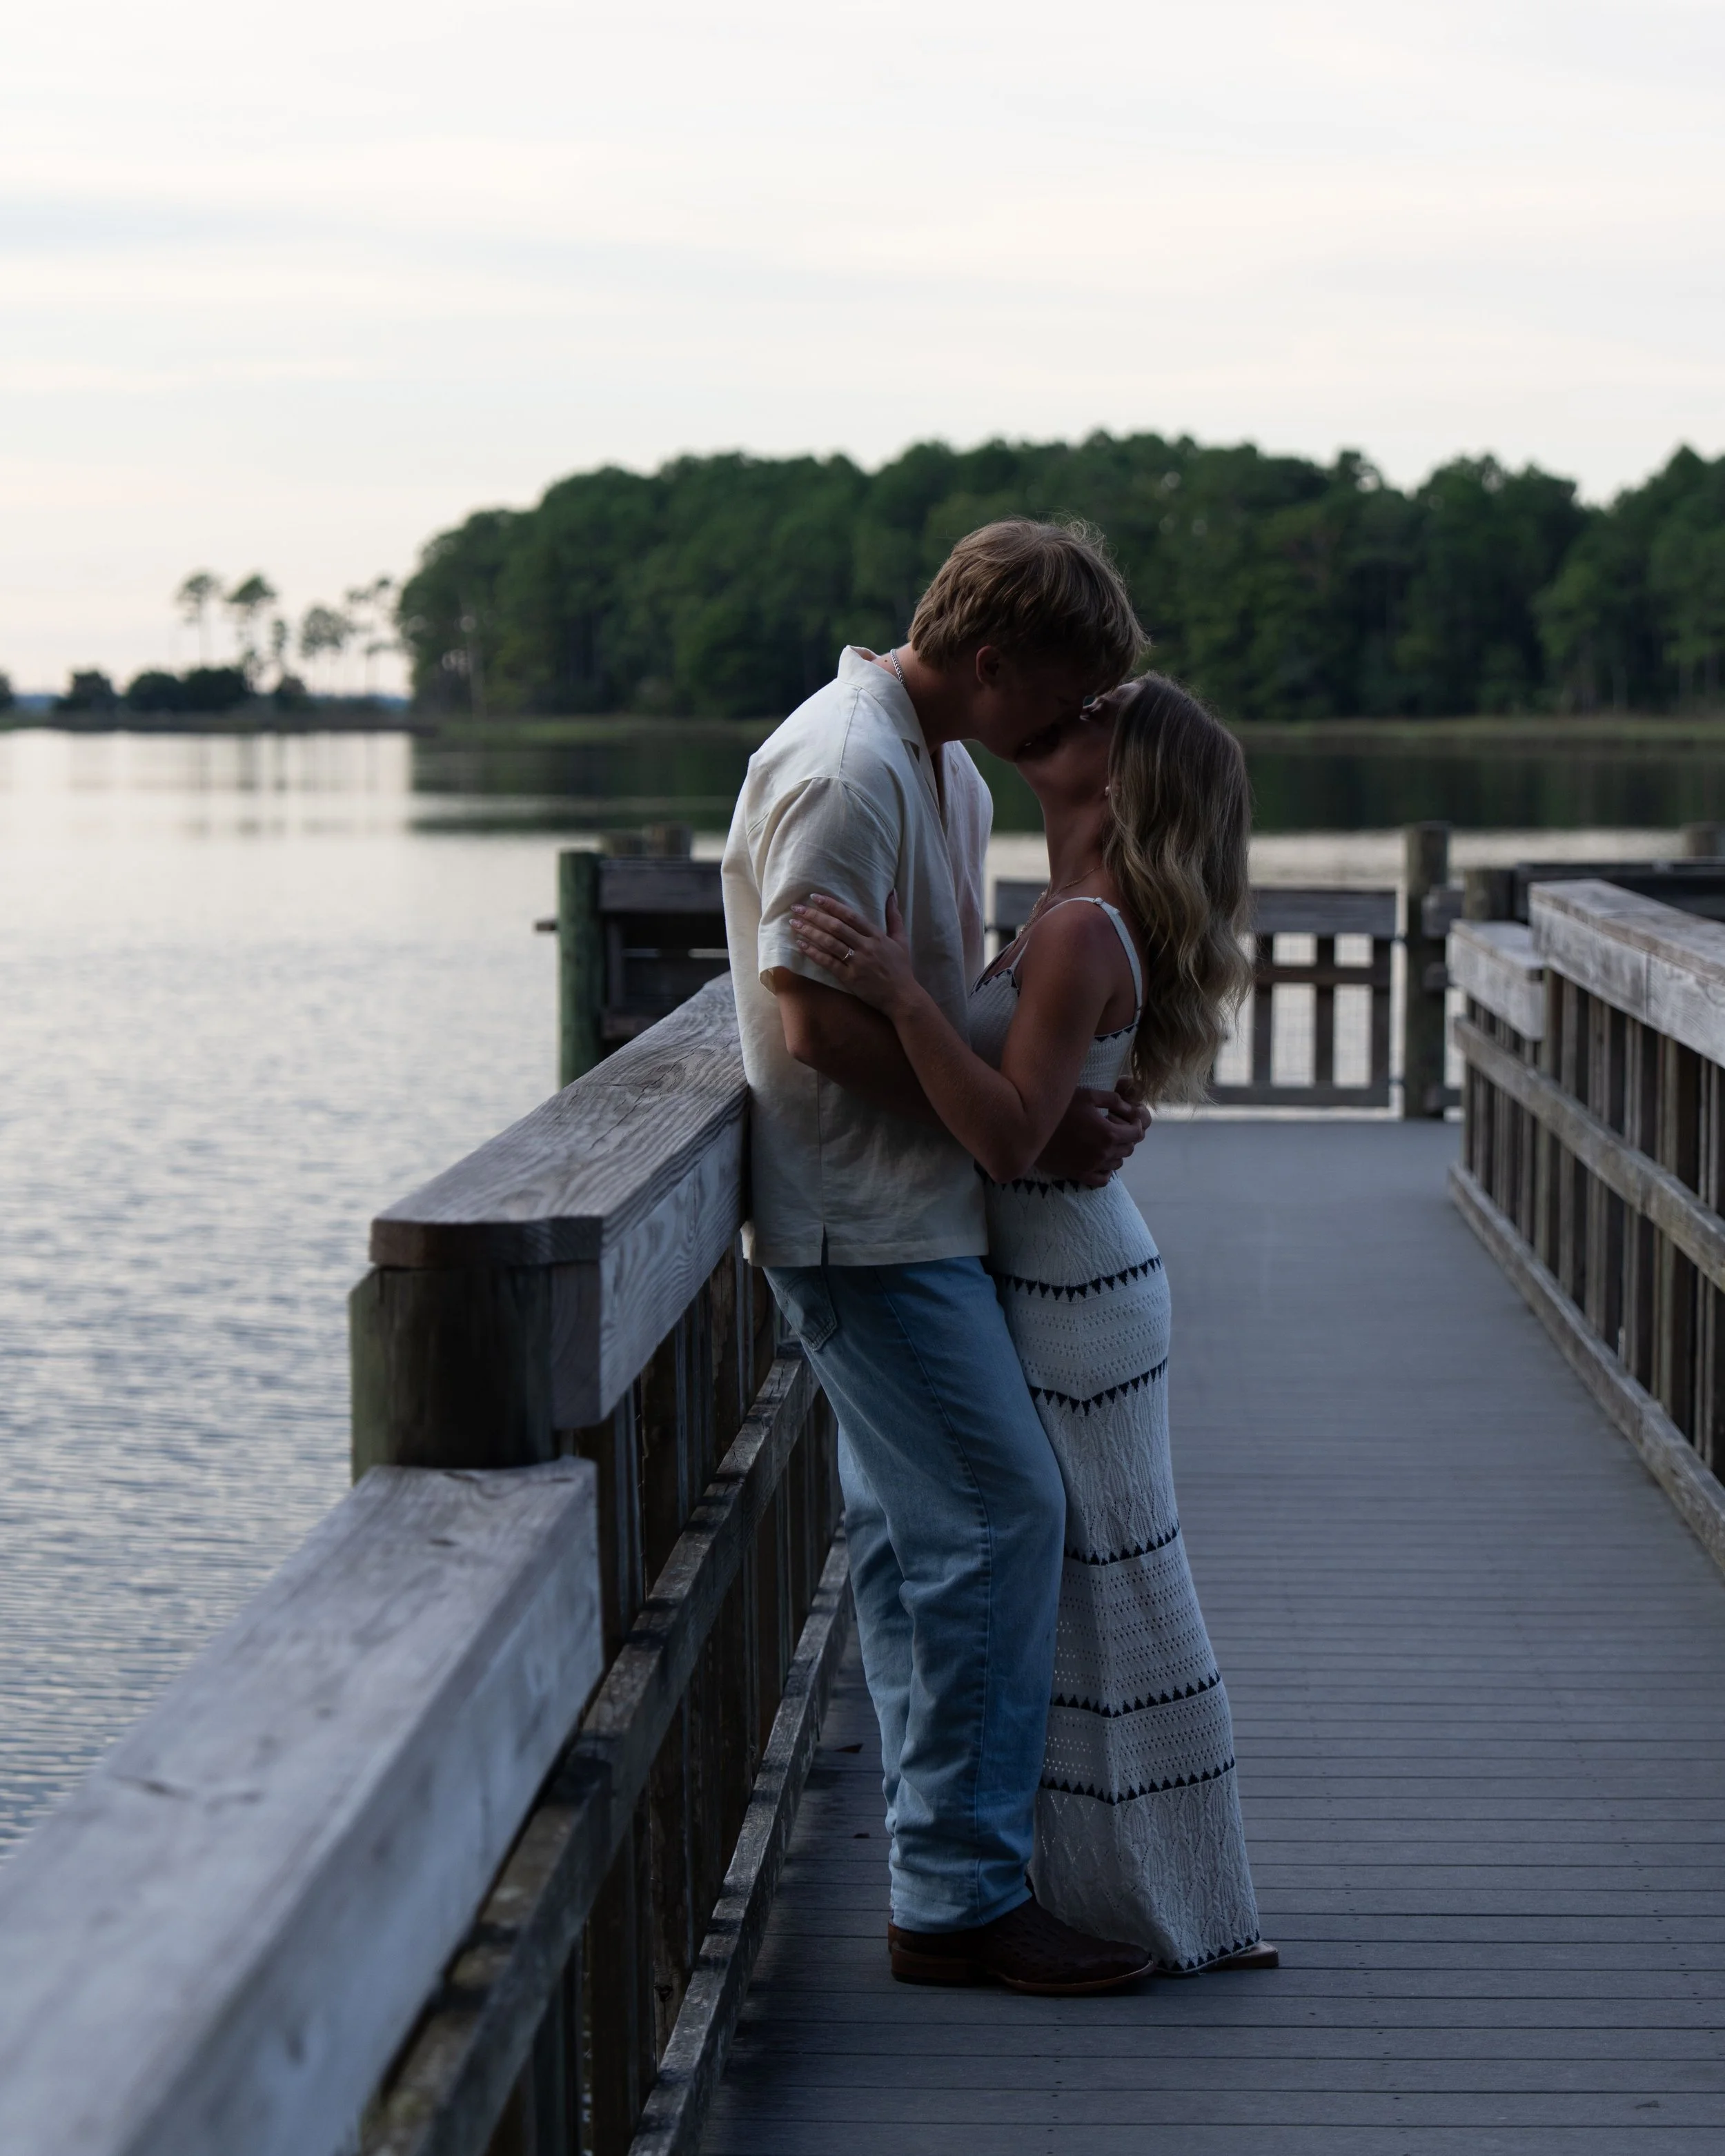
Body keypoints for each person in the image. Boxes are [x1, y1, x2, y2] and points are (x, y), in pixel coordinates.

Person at [721, 520, 1159, 1994]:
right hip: (860, 1219)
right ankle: (964, 1898)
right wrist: (1015, 1134)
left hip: (918, 1211)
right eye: (1059, 692)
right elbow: (815, 1020)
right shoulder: (846, 767)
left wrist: (1046, 1099)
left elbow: (931, 989)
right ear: (990, 662)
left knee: (928, 1552)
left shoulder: (948, 765)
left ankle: (940, 1876)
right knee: (999, 1516)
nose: (1065, 726)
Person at [790, 670, 1272, 1975]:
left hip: (1072, 1289)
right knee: (1081, 1582)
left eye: (1102, 708)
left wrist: (898, 993)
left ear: (1125, 778)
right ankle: (1138, 1888)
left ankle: (1166, 1897)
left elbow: (1005, 1141)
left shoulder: (1075, 931)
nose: (1071, 704)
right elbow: (1030, 1110)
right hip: (1058, 1273)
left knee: (1111, 1581)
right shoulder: (1060, 916)